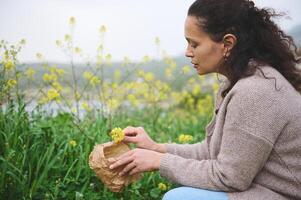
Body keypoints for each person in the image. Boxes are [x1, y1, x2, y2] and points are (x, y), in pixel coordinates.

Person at [108, 0, 301, 199]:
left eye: (195, 43)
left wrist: (159, 161)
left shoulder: (255, 92)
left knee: (179, 197)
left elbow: (230, 177)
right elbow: (212, 152)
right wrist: (156, 148)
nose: (187, 52)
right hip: (264, 190)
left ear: (227, 44)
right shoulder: (239, 82)